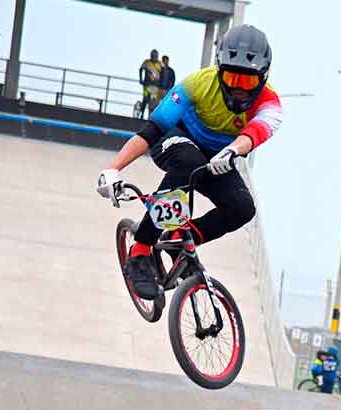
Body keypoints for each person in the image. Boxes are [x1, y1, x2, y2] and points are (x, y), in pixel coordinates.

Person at [97, 25, 281, 300]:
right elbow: (151, 132)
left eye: (248, 82)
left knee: (243, 208)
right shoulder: (196, 84)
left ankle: (176, 242)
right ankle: (141, 249)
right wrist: (113, 169)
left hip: (219, 156)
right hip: (175, 139)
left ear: (263, 78)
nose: (238, 89)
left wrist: (231, 151)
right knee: (188, 161)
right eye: (232, 77)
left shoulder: (271, 103)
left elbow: (254, 134)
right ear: (219, 70)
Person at [139, 49, 163, 116]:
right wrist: (141, 79)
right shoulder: (146, 62)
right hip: (147, 84)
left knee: (154, 100)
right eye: (153, 55)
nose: (154, 57)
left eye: (156, 55)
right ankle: (142, 113)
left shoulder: (160, 63)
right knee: (146, 98)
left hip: (156, 85)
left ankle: (152, 115)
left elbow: (163, 72)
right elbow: (141, 69)